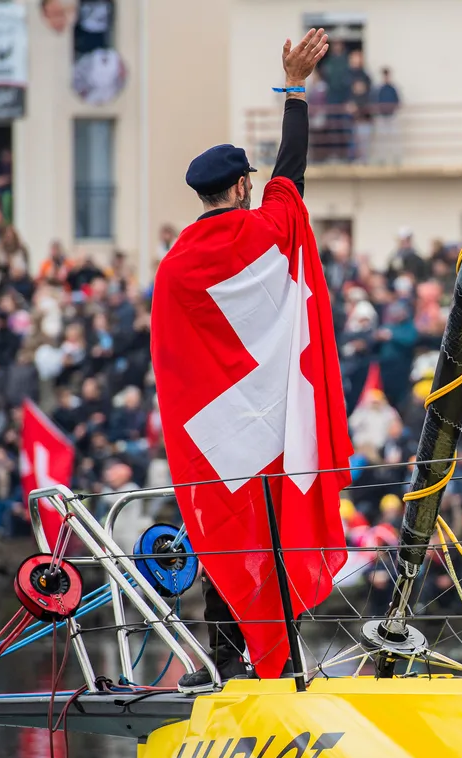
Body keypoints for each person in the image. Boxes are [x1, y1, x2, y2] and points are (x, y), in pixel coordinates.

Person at [154, 28, 330, 692]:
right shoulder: (266, 229)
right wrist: (293, 89)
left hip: (214, 431)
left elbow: (173, 359)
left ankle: (226, 661)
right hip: (270, 421)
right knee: (276, 533)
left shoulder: (174, 268)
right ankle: (278, 664)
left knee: (226, 540)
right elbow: (294, 172)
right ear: (242, 187)